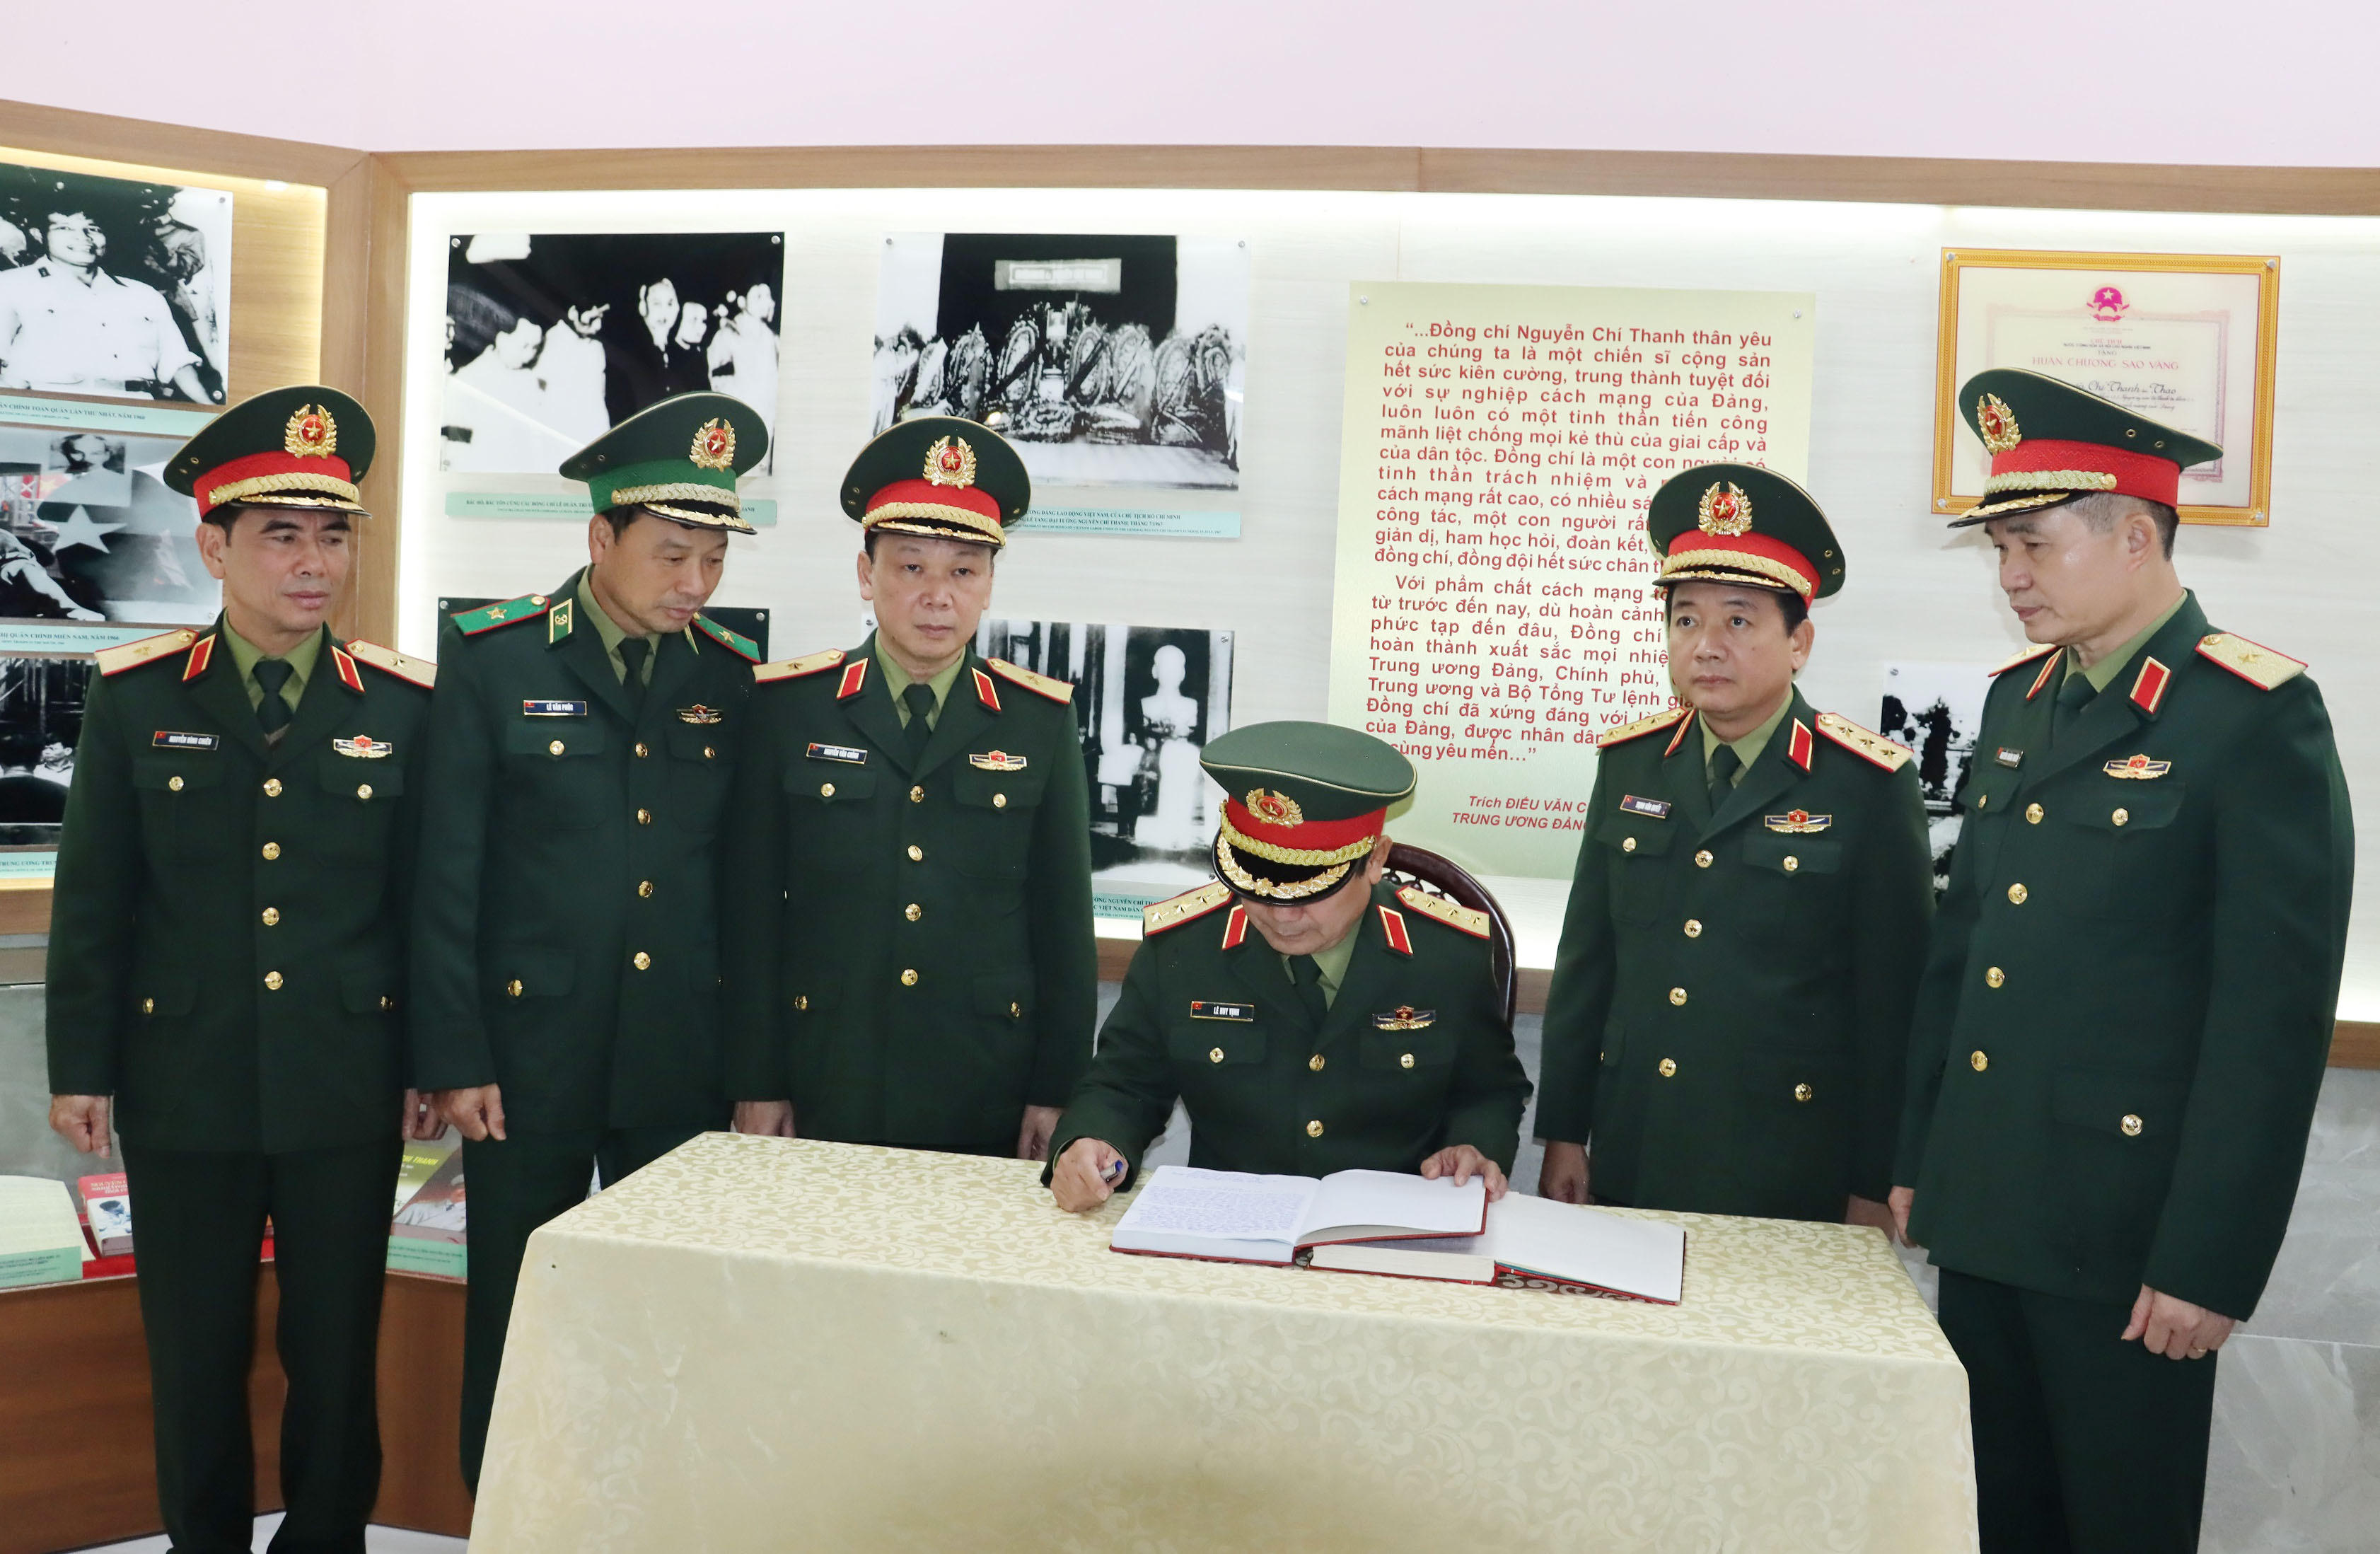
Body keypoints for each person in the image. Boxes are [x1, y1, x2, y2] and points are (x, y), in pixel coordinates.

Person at [1891, 369, 2353, 1553]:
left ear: (2136, 535)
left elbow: (2270, 1020)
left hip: (2130, 1245)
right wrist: (1920, 1160)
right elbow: (1966, 951)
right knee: (1997, 1521)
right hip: (1990, 1209)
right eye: (2001, 549)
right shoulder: (2021, 703)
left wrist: (2208, 1262)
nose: (2011, 577)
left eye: (2034, 545)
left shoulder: (2252, 714)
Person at [44, 385, 441, 1553]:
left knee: (337, 1346)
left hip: (346, 1079)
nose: (314, 563)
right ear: (213, 547)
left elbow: (424, 903)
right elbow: (97, 899)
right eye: (282, 535)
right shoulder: (137, 696)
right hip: (185, 1079)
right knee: (194, 1347)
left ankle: (325, 1538)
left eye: (333, 535)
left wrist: (430, 1057)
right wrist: (81, 1067)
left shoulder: (403, 705)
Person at [409, 390, 770, 1492]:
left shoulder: (728, 674)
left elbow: (745, 895)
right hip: (527, 1061)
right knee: (522, 1315)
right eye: (673, 554)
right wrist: (455, 1053)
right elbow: (446, 874)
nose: (696, 582)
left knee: (667, 1325)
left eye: (714, 558)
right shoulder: (496, 657)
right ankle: (509, 1518)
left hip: (678, 1057)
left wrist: (753, 1070)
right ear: (601, 537)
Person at [1536, 465, 1931, 1229]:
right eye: (1685, 620)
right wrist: (1563, 1131)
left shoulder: (1866, 784)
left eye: (1738, 621)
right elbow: (1589, 962)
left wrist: (1872, 1180)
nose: (1705, 646)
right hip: (1637, 1142)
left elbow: (1892, 1006)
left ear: (1799, 642)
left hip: (1791, 1162)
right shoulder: (1631, 764)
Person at [725, 416, 1096, 1161]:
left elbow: (1062, 923)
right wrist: (757, 1077)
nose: (937, 597)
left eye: (963, 571)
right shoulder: (789, 707)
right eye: (911, 567)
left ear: (988, 585)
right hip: (827, 1068)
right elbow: (752, 912)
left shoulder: (1038, 719)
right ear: (867, 575)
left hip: (984, 1080)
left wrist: (1057, 1089)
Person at [1047, 721, 1532, 1210]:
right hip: (1227, 1223)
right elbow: (1123, 1082)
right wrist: (1093, 1140)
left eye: (1310, 889)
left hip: (1392, 1224)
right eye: (1256, 883)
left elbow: (1488, 1091)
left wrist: (1473, 1146)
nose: (1281, 914)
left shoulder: (1446, 954)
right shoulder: (1183, 947)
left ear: (1373, 860)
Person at [0, 205, 217, 402]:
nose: (83, 237)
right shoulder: (12, 285)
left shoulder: (143, 294)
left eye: (92, 229)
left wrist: (208, 409)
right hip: (50, 405)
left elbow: (176, 362)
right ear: (39, 235)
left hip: (137, 407)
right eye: (65, 228)